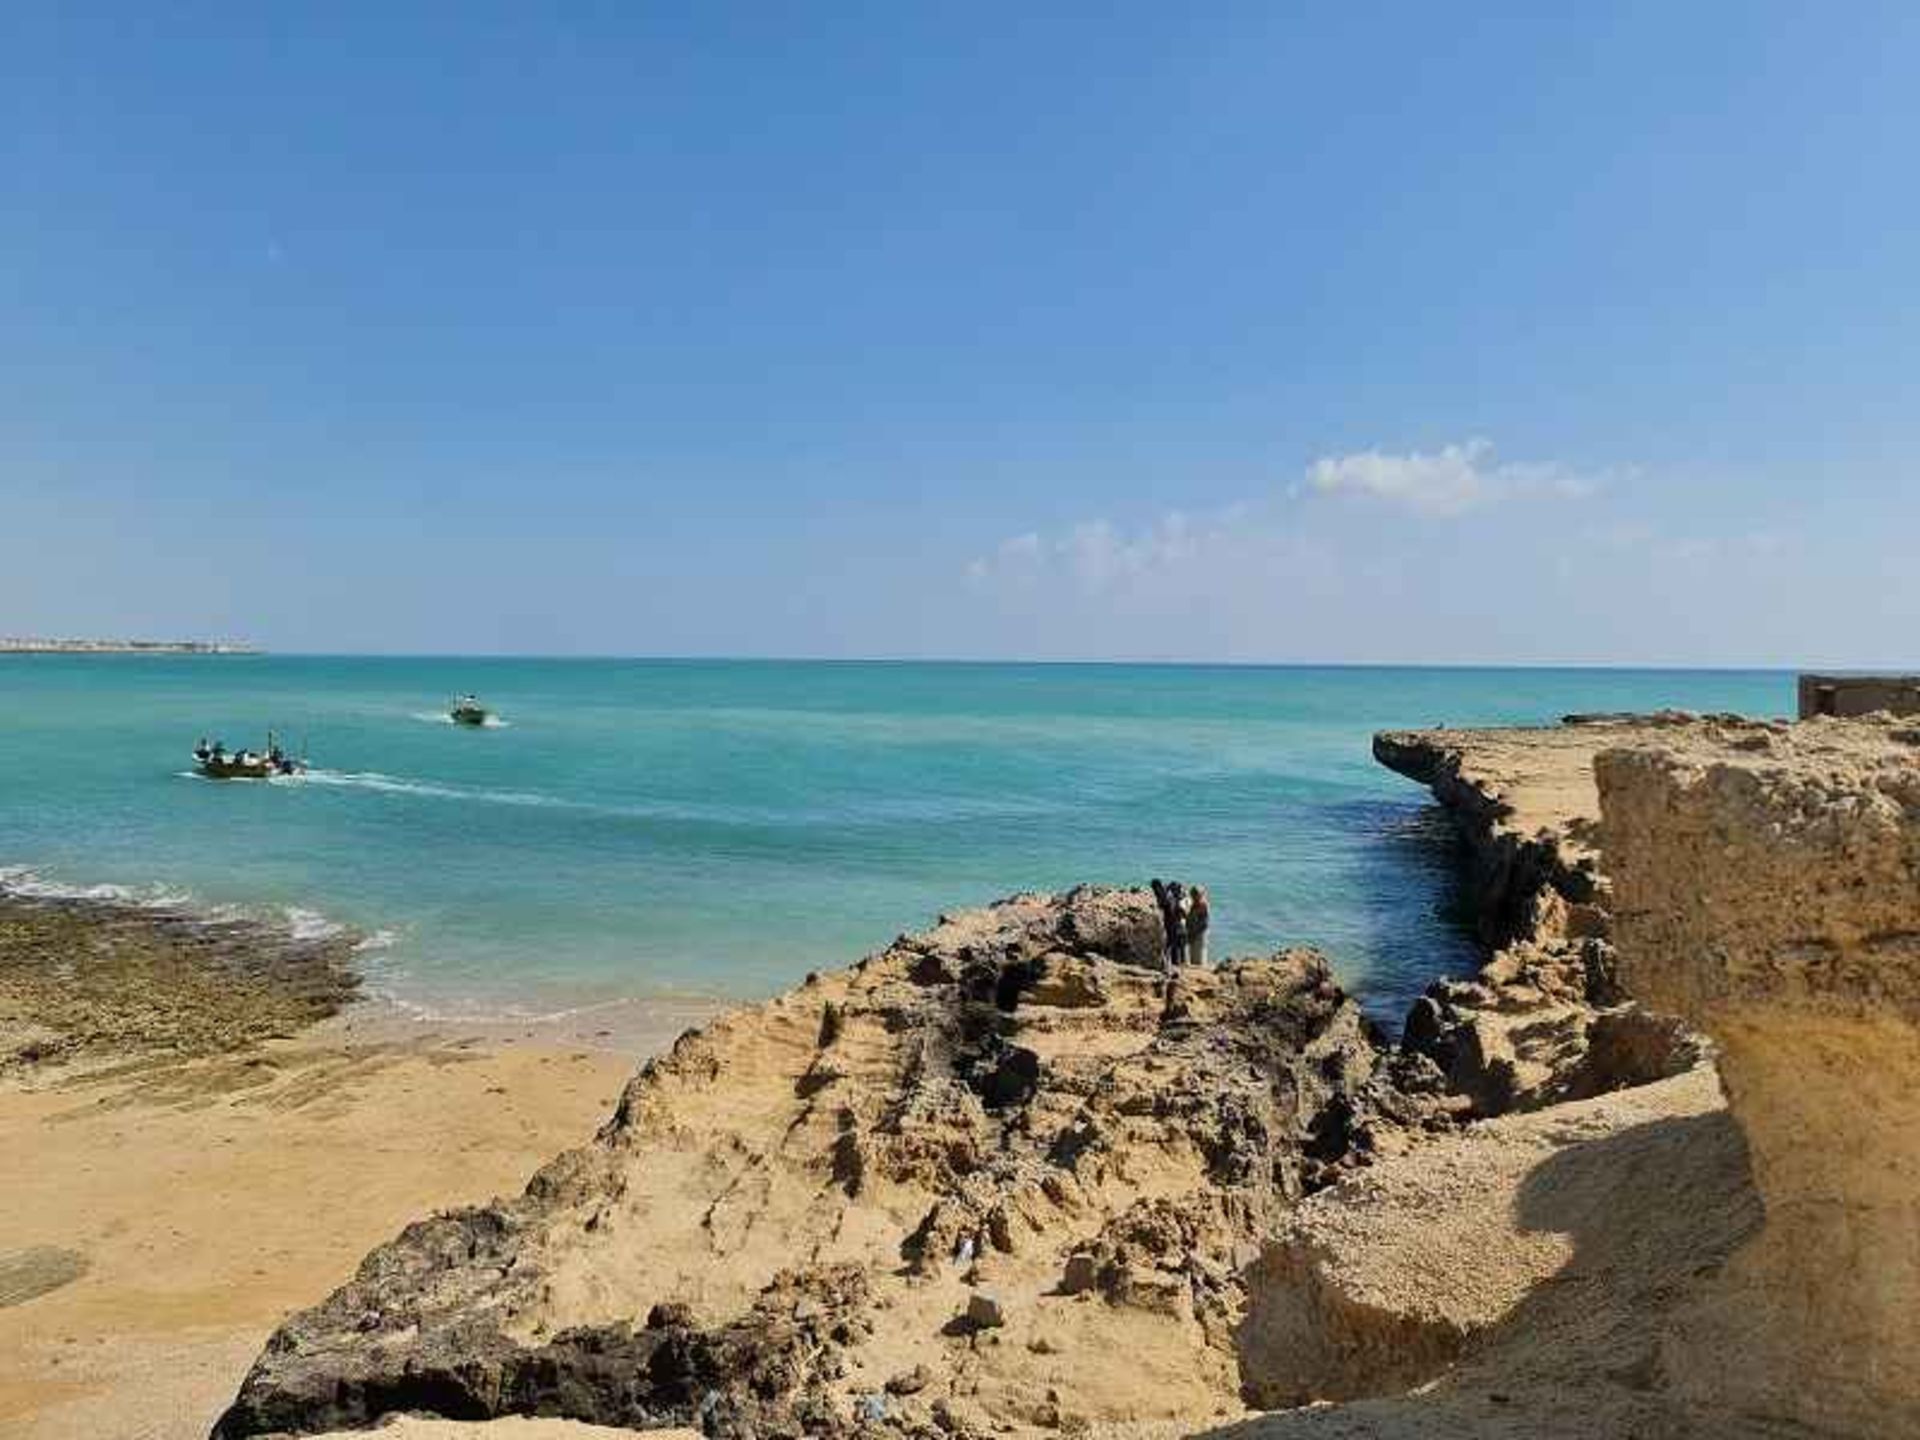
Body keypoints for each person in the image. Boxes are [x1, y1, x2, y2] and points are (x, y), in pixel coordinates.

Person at [1185, 885, 1210, 968]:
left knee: (1199, 953)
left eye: (1193, 895)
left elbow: (1204, 923)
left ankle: (1200, 969)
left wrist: (1195, 932)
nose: (1192, 897)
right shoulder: (1196, 903)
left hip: (1199, 933)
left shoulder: (1203, 905)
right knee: (1195, 953)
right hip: (1195, 932)